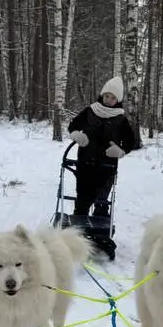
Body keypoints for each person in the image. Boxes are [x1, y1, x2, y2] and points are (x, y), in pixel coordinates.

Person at [67, 76, 137, 233]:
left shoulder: (121, 119)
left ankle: (100, 233)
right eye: (107, 96)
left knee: (102, 200)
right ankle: (77, 231)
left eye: (113, 98)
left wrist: (121, 150)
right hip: (85, 162)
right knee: (83, 198)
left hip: (107, 166)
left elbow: (131, 141)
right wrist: (77, 134)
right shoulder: (90, 111)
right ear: (102, 95)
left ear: (117, 100)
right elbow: (73, 125)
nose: (109, 100)